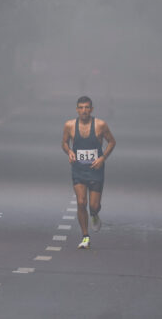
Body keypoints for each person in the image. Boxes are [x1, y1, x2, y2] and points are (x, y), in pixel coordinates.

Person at [61, 96, 116, 249]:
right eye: (81, 108)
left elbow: (112, 141)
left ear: (91, 109)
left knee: (93, 205)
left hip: (95, 169)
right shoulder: (70, 125)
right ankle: (85, 236)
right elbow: (64, 143)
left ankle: (94, 214)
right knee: (81, 202)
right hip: (78, 169)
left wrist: (102, 158)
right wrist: (70, 152)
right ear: (77, 109)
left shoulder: (100, 125)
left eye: (87, 108)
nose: (84, 111)